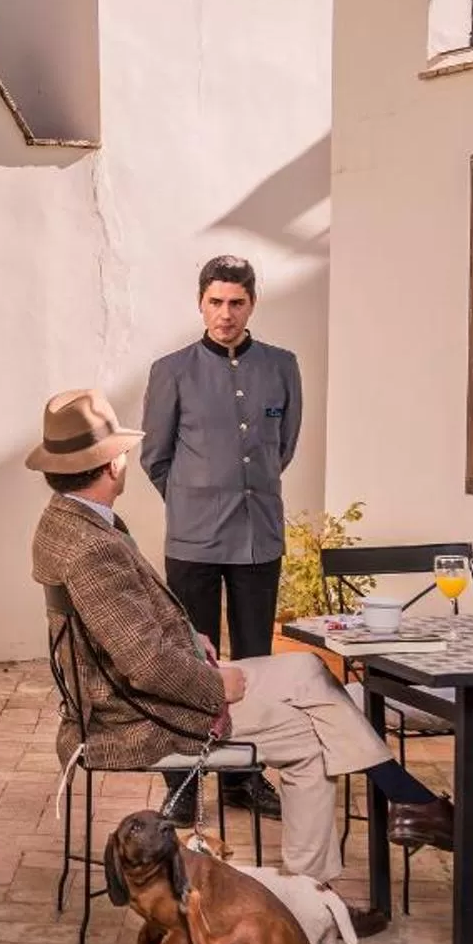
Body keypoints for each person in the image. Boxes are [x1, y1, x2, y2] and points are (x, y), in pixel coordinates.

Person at [28, 388, 473, 928]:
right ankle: (312, 900)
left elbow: (131, 626)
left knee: (305, 669)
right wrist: (216, 686)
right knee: (311, 742)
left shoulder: (73, 521)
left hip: (133, 694)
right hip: (139, 715)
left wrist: (192, 641)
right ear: (113, 462)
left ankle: (410, 802)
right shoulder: (91, 544)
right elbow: (145, 664)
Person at [139, 256, 299, 823]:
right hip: (194, 542)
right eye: (215, 302)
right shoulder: (172, 370)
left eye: (236, 302)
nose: (225, 314)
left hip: (260, 537)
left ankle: (243, 779)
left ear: (251, 303)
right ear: (200, 303)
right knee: (189, 660)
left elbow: (284, 447)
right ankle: (184, 780)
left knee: (256, 660)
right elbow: (155, 458)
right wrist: (192, 502)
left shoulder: (282, 366)